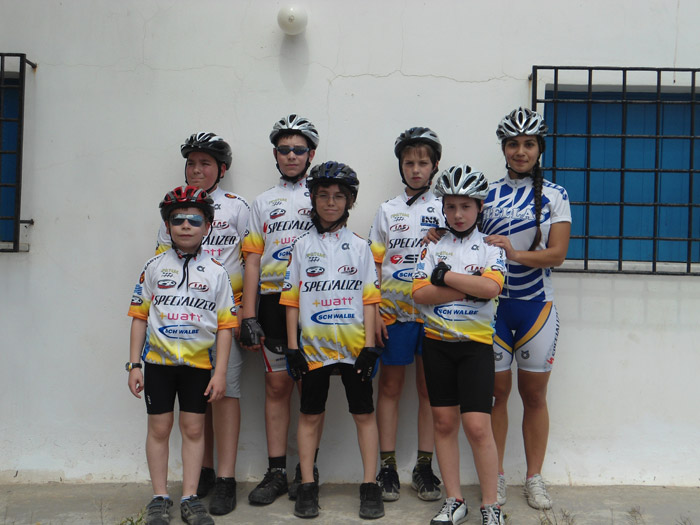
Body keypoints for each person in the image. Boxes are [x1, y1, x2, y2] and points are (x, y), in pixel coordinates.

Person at [280, 161, 385, 520]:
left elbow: (370, 300)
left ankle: (369, 485)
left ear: (349, 202)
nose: (330, 202)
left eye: (338, 196)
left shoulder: (360, 247)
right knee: (310, 415)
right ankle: (308, 485)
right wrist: (292, 348)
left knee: (364, 414)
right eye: (323, 195)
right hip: (314, 349)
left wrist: (370, 347)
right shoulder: (300, 246)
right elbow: (291, 300)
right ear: (312, 199)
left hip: (354, 348)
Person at [127, 186, 237, 525]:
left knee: (193, 429)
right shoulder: (153, 267)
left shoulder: (217, 271)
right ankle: (160, 497)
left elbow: (225, 327)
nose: (186, 225)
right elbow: (139, 318)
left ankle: (190, 497)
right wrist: (133, 364)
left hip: (198, 366)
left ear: (207, 227)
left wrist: (220, 373)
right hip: (158, 365)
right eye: (178, 220)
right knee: (159, 428)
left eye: (194, 220)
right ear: (168, 225)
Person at [481, 107, 571, 510]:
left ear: (539, 148)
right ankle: (496, 475)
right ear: (504, 148)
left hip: (536, 308)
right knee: (496, 395)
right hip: (493, 308)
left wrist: (515, 254)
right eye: (513, 144)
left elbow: (557, 254)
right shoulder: (486, 193)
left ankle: (534, 477)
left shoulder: (555, 194)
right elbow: (463, 233)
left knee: (534, 396)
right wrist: (435, 233)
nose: (521, 151)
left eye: (529, 144)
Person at [155, 133, 249, 516]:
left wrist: (248, 312)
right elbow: (161, 265)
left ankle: (226, 477)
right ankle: (204, 471)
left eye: (205, 163)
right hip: (184, 319)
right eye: (191, 163)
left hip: (225, 317)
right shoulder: (175, 206)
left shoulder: (238, 206)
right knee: (196, 396)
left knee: (225, 394)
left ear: (221, 169)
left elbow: (251, 261)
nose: (196, 170)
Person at [413, 166, 506, 525]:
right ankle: (454, 500)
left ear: (479, 207)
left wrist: (444, 276)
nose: (458, 214)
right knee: (443, 423)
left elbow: (492, 289)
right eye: (450, 207)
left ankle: (491, 505)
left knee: (478, 427)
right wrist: (469, 287)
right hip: (437, 344)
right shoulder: (432, 245)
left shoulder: (491, 247)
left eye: (466, 206)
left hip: (475, 347)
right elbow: (420, 294)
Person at [239, 114, 322, 505]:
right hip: (272, 302)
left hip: (315, 301)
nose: (291, 156)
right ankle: (276, 472)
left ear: (311, 154)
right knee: (276, 385)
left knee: (311, 386)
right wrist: (247, 314)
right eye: (284, 149)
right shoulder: (262, 202)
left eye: (299, 150)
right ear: (275, 154)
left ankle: (308, 470)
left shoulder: (322, 195)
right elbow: (252, 259)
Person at [368, 127, 443, 502]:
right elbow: (373, 266)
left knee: (429, 390)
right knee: (390, 388)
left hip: (434, 316)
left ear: (434, 166)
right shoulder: (387, 209)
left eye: (423, 163)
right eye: (409, 162)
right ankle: (387, 466)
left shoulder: (446, 208)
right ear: (401, 166)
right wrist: (374, 315)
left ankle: (424, 466)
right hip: (393, 316)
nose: (416, 169)